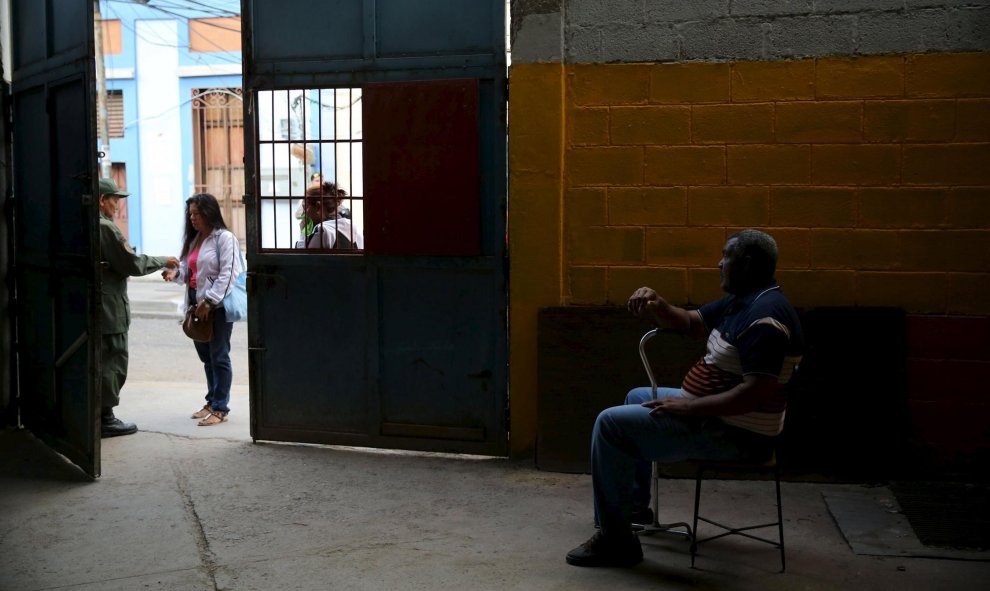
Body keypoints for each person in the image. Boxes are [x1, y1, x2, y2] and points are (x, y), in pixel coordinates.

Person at [565, 229, 803, 568]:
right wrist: (657, 304)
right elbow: (691, 322)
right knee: (636, 395)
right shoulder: (744, 299)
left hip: (736, 435)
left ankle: (617, 542)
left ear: (746, 263)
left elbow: (755, 392)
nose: (718, 263)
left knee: (609, 424)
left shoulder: (765, 317)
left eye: (726, 256)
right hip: (717, 418)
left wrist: (688, 406)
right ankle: (631, 510)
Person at [97, 178, 179, 437]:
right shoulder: (106, 228)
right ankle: (105, 418)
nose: (117, 205)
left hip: (97, 305)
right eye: (115, 199)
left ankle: (95, 414)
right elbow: (130, 262)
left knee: (98, 360)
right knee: (113, 360)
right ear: (101, 199)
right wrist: (163, 260)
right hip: (109, 308)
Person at [163, 193, 243, 426]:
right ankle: (211, 401)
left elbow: (229, 273)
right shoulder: (195, 239)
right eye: (190, 214)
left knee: (219, 357)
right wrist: (175, 275)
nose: (193, 218)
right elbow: (190, 272)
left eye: (197, 213)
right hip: (195, 307)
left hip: (215, 308)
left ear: (209, 212)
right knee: (207, 357)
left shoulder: (224, 239)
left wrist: (210, 301)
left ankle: (220, 408)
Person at [294, 180, 364, 250]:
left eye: (306, 207)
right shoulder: (350, 227)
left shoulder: (322, 231)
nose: (305, 213)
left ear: (318, 207)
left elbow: (304, 258)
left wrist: (303, 235)